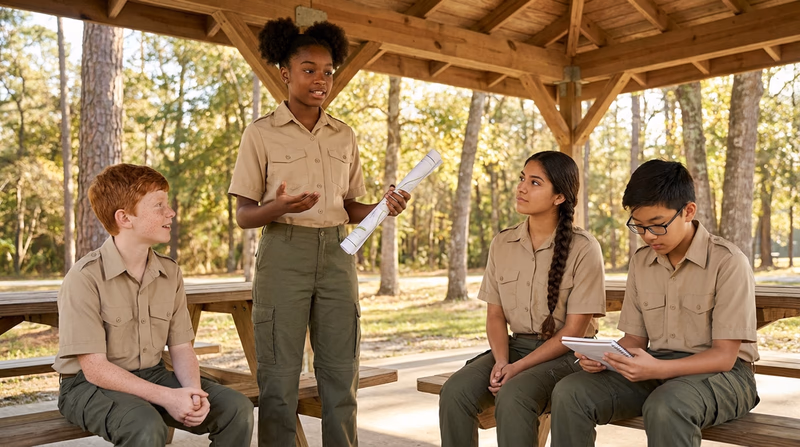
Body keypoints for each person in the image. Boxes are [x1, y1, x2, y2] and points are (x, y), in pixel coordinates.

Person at [228, 18, 411, 447]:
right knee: (278, 379)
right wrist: (279, 206)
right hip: (283, 254)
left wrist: (384, 207)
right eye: (309, 69)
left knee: (341, 376)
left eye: (328, 71)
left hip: (337, 254)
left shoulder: (344, 136)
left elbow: (350, 208)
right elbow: (243, 215)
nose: (320, 79)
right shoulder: (260, 134)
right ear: (284, 72)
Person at [550, 159, 760, 447]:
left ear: (688, 211)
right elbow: (635, 339)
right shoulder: (641, 262)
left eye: (657, 225)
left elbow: (724, 356)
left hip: (726, 376)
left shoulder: (728, 262)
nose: (648, 236)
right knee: (570, 392)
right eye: (639, 226)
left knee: (666, 407)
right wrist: (606, 358)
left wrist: (657, 370)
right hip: (656, 367)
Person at [54, 164, 254, 447]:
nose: (170, 212)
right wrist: (169, 397)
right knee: (145, 427)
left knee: (236, 408)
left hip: (152, 372)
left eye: (167, 204)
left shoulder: (170, 272)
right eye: (158, 205)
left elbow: (182, 348)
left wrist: (193, 393)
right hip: (88, 385)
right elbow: (96, 369)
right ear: (124, 218)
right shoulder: (84, 278)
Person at [438, 151, 606, 447]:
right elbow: (495, 315)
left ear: (559, 197)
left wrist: (516, 369)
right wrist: (502, 361)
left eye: (535, 182)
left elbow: (573, 332)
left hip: (569, 355)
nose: (521, 188)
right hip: (514, 347)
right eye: (521, 179)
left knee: (514, 394)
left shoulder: (584, 248)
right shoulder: (503, 243)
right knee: (455, 392)